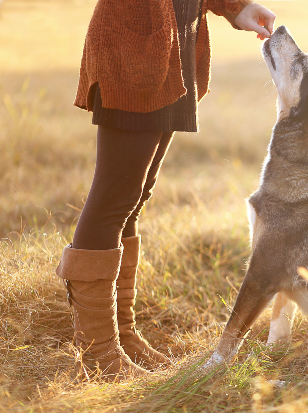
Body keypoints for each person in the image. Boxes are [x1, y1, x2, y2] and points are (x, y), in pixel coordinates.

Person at [55, 0, 276, 381]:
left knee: (135, 198)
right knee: (114, 198)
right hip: (132, 49)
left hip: (175, 46)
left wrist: (232, 6)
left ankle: (121, 333)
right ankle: (97, 352)